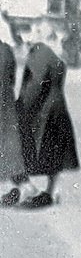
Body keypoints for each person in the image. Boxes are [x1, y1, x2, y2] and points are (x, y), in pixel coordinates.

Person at [15, 39, 80, 208]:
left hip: (42, 112)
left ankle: (26, 186)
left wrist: (21, 105)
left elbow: (35, 85)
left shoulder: (38, 55)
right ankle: (53, 190)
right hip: (58, 109)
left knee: (14, 148)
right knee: (54, 152)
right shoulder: (55, 58)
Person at [1, 32, 32, 208]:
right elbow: (12, 79)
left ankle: (24, 186)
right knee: (9, 148)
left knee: (7, 149)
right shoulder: (6, 49)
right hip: (6, 104)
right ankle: (23, 185)